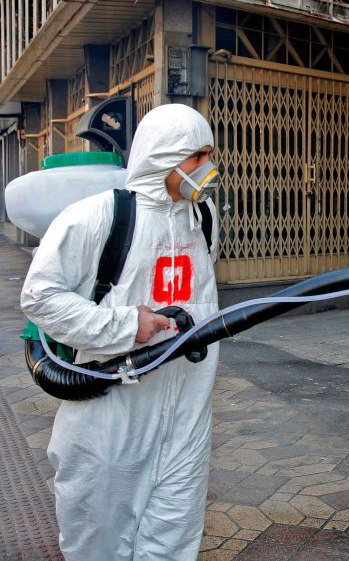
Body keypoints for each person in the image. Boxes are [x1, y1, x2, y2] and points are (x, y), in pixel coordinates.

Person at [20, 104, 221, 560]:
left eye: (209, 154)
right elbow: (40, 297)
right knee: (98, 528)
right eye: (197, 156)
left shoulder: (203, 219)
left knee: (174, 527)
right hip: (112, 410)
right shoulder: (100, 217)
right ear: (162, 156)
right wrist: (128, 325)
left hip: (188, 406)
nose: (207, 168)